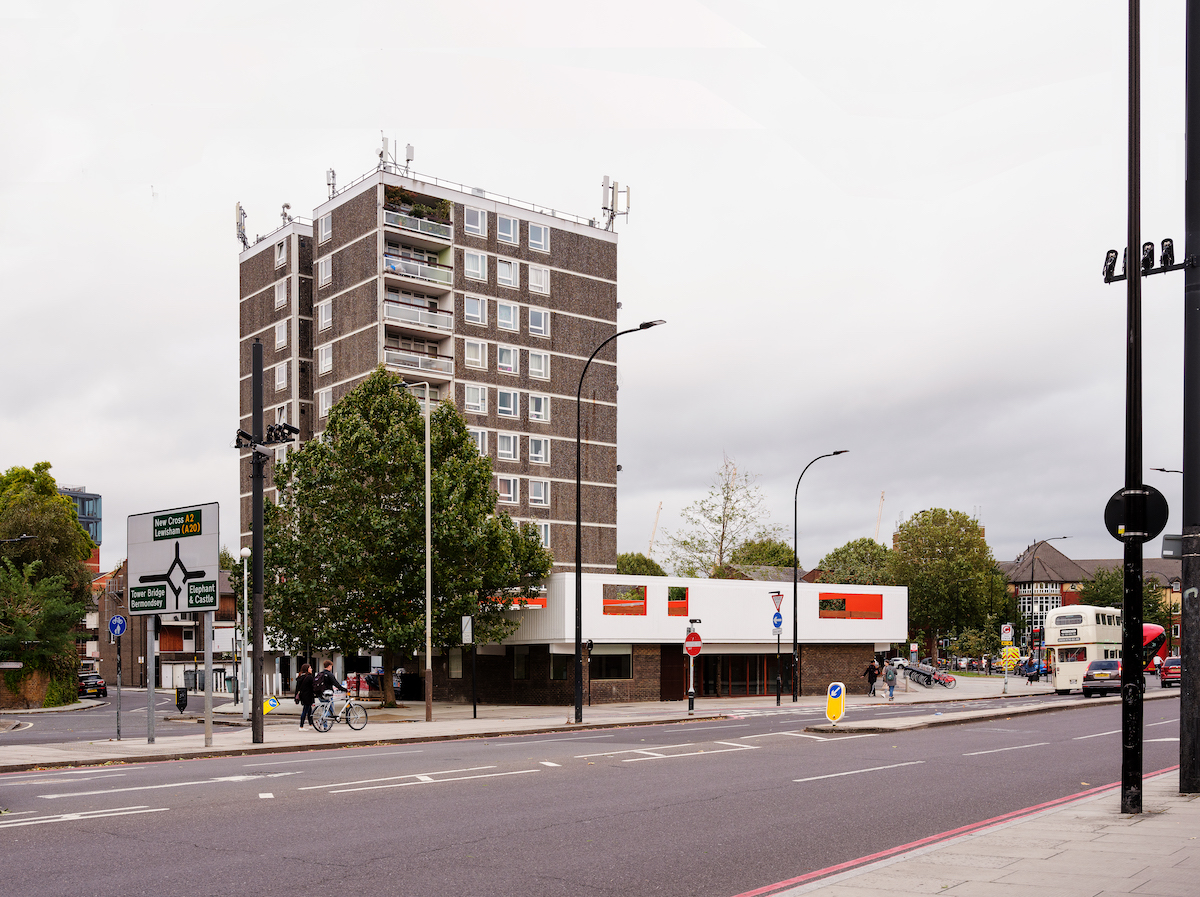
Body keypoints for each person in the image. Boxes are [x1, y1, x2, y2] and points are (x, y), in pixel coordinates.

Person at [294, 663, 315, 729]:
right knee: (305, 711)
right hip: (308, 696)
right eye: (310, 668)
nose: (311, 669)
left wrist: (295, 697)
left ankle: (311, 724)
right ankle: (301, 726)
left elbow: (297, 688)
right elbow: (313, 687)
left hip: (303, 696)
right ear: (307, 669)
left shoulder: (300, 677)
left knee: (309, 711)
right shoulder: (309, 677)